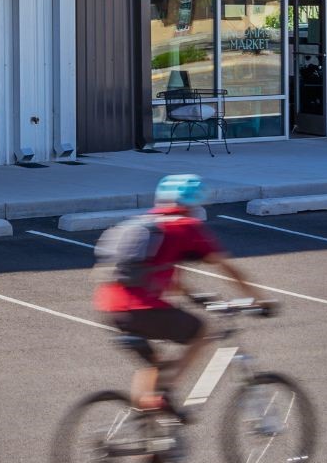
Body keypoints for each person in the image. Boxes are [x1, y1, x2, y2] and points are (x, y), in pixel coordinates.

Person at [94, 173, 271, 412]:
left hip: (110, 306)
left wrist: (195, 296)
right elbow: (226, 267)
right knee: (202, 332)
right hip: (141, 308)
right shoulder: (185, 227)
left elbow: (165, 275)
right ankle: (166, 393)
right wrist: (260, 299)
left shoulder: (145, 222)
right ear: (193, 204)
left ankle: (144, 425)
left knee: (153, 366)